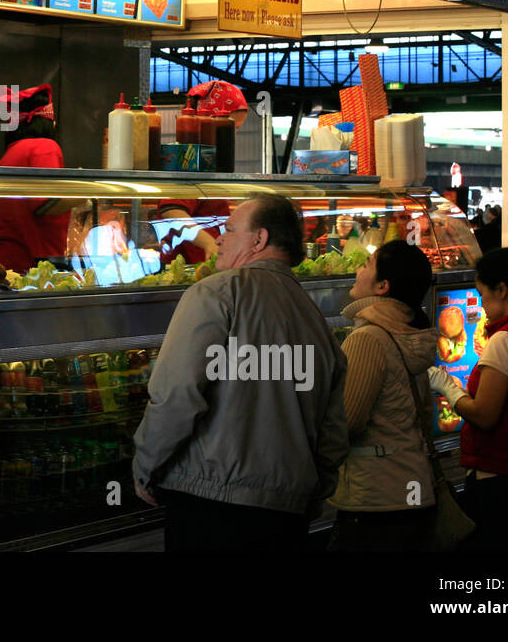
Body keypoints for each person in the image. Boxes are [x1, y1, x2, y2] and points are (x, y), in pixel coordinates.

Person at [132, 194, 350, 551]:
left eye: (230, 229)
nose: (217, 237)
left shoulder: (214, 294)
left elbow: (176, 395)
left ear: (258, 239)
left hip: (210, 506)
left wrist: (146, 467)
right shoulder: (315, 318)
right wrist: (312, 492)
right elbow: (333, 429)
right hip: (287, 513)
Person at [428, 249, 508, 552]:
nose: (483, 305)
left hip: (500, 479)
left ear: (502, 290)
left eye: (483, 294)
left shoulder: (506, 339)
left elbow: (485, 415)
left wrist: (448, 387)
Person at [328, 241, 439, 551]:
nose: (357, 268)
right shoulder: (409, 334)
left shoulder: (367, 339)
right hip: (412, 489)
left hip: (376, 498)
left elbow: (347, 422)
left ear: (383, 286)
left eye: (367, 263)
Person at [0, 85, 69, 272]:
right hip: (22, 268)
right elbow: (46, 203)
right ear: (50, 122)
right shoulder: (44, 147)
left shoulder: (12, 152)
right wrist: (82, 195)